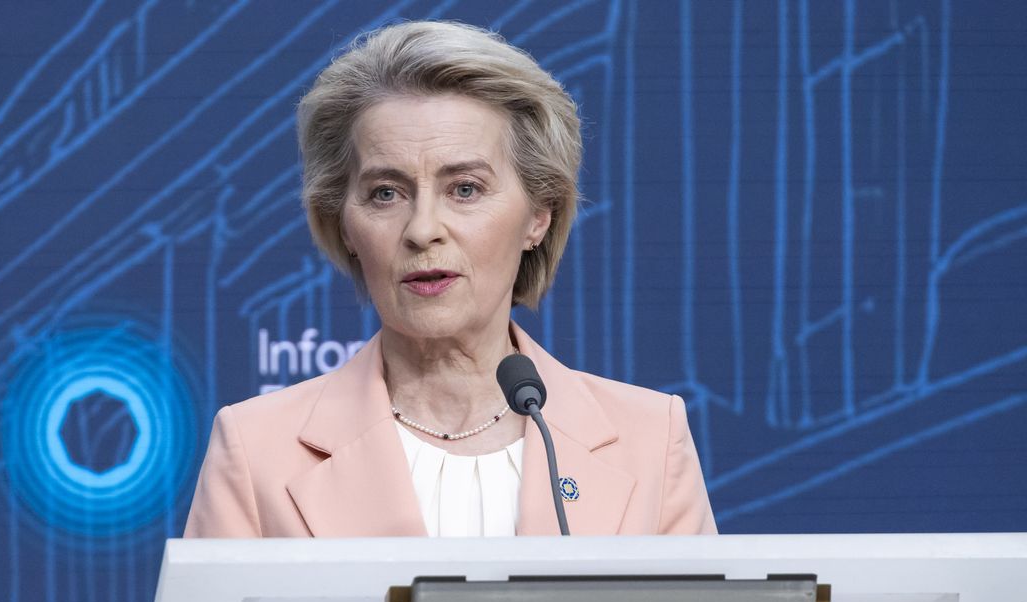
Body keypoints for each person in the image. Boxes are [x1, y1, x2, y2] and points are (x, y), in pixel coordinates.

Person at [184, 20, 716, 538]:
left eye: (464, 189)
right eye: (385, 193)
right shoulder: (256, 451)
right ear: (342, 224)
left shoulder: (651, 438)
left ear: (539, 215)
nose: (422, 230)